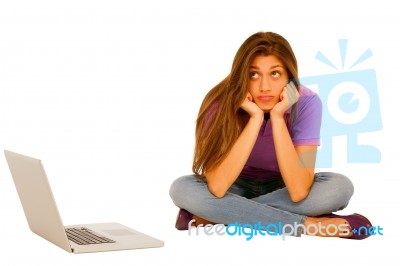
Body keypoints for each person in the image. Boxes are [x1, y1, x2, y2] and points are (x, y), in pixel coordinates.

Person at [169, 31, 372, 239]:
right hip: (234, 186)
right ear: (241, 76)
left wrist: (277, 117)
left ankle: (213, 215)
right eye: (253, 74)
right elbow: (218, 187)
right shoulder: (218, 104)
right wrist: (255, 118)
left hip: (284, 186)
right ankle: (310, 225)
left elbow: (299, 190)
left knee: (339, 187)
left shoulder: (308, 103)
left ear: (289, 77)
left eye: (275, 74)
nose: (264, 86)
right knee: (182, 189)